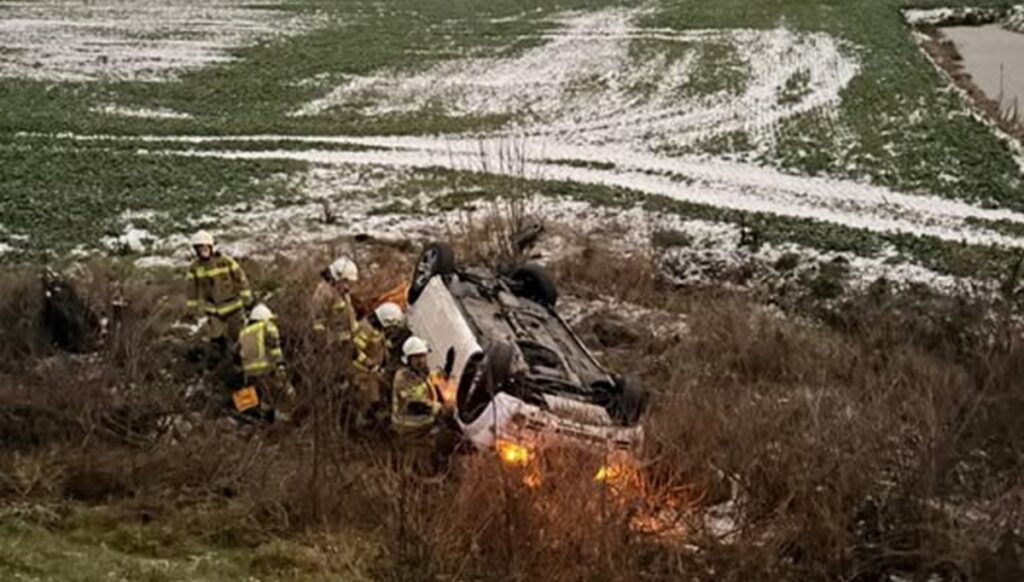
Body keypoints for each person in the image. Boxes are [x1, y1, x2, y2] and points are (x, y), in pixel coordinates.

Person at [186, 230, 252, 360]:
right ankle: (222, 359)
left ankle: (241, 360)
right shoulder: (194, 268)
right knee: (216, 338)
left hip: (233, 307)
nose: (203, 250)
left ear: (211, 246)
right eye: (200, 248)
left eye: (205, 247)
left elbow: (240, 279)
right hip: (213, 310)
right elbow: (191, 290)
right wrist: (191, 310)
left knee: (239, 336)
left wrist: (247, 299)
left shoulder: (226, 261)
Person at [236, 304, 294, 420]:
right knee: (287, 393)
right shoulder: (267, 327)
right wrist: (280, 366)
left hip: (250, 374)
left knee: (264, 396)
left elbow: (237, 354)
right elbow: (275, 350)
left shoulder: (243, 332)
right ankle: (284, 421)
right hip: (267, 369)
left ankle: (259, 418)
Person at [351, 302, 406, 427]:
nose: (392, 329)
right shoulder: (366, 330)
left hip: (373, 373)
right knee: (368, 400)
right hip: (362, 373)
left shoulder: (377, 329)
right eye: (392, 326)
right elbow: (354, 351)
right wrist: (370, 364)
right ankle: (360, 424)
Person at [391, 336, 442, 434]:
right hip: (407, 423)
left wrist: (446, 370)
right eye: (416, 357)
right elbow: (415, 406)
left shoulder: (419, 371)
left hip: (419, 417)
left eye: (423, 356)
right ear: (408, 360)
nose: (421, 360)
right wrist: (438, 409)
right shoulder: (403, 378)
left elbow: (431, 377)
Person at [312, 256, 359, 358]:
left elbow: (350, 317)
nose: (347, 286)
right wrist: (323, 346)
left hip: (346, 344)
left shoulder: (342, 293)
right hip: (333, 347)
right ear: (337, 277)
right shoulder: (324, 293)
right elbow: (319, 323)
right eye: (345, 281)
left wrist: (353, 341)